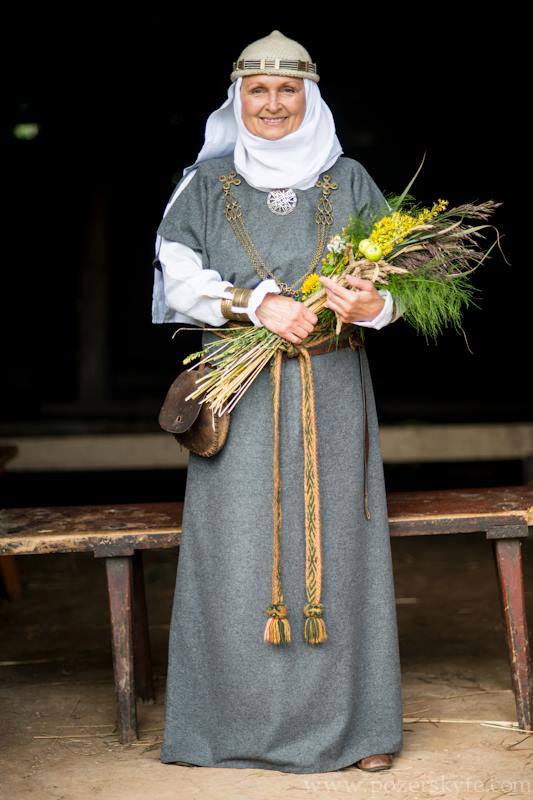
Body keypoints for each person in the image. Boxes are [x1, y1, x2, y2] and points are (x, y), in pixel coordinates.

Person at [152, 30, 404, 775]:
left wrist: (367, 305)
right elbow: (175, 278)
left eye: (286, 89)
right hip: (241, 395)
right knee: (236, 550)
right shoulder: (204, 184)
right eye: (257, 90)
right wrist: (255, 303)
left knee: (341, 549)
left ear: (309, 96)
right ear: (238, 98)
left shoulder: (350, 181)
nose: (271, 103)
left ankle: (357, 731)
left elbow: (400, 286)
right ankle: (222, 728)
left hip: (332, 390)